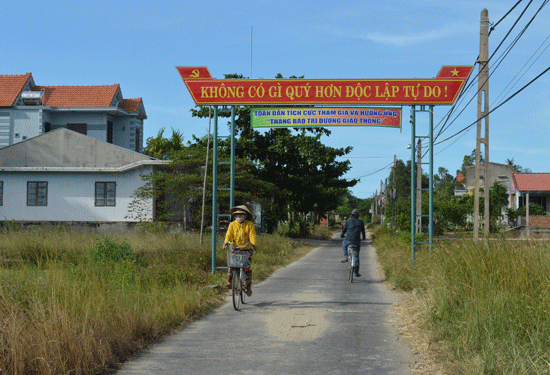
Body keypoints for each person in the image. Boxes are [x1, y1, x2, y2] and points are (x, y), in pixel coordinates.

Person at [223, 205, 257, 296]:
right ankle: (230, 282)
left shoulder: (249, 225)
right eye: (237, 215)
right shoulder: (232, 225)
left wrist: (253, 244)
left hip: (247, 249)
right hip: (235, 248)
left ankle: (248, 287)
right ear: (234, 216)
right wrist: (226, 243)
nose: (239, 217)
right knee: (231, 265)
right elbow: (228, 235)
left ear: (245, 216)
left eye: (241, 215)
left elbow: (252, 236)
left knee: (247, 268)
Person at [340, 209, 366, 277]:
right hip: (357, 241)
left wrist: (342, 235)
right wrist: (363, 238)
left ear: (351, 215)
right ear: (358, 216)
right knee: (356, 256)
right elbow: (363, 232)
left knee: (343, 243)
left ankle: (346, 257)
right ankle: (356, 273)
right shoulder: (361, 222)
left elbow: (344, 230)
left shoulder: (348, 221)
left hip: (348, 240)